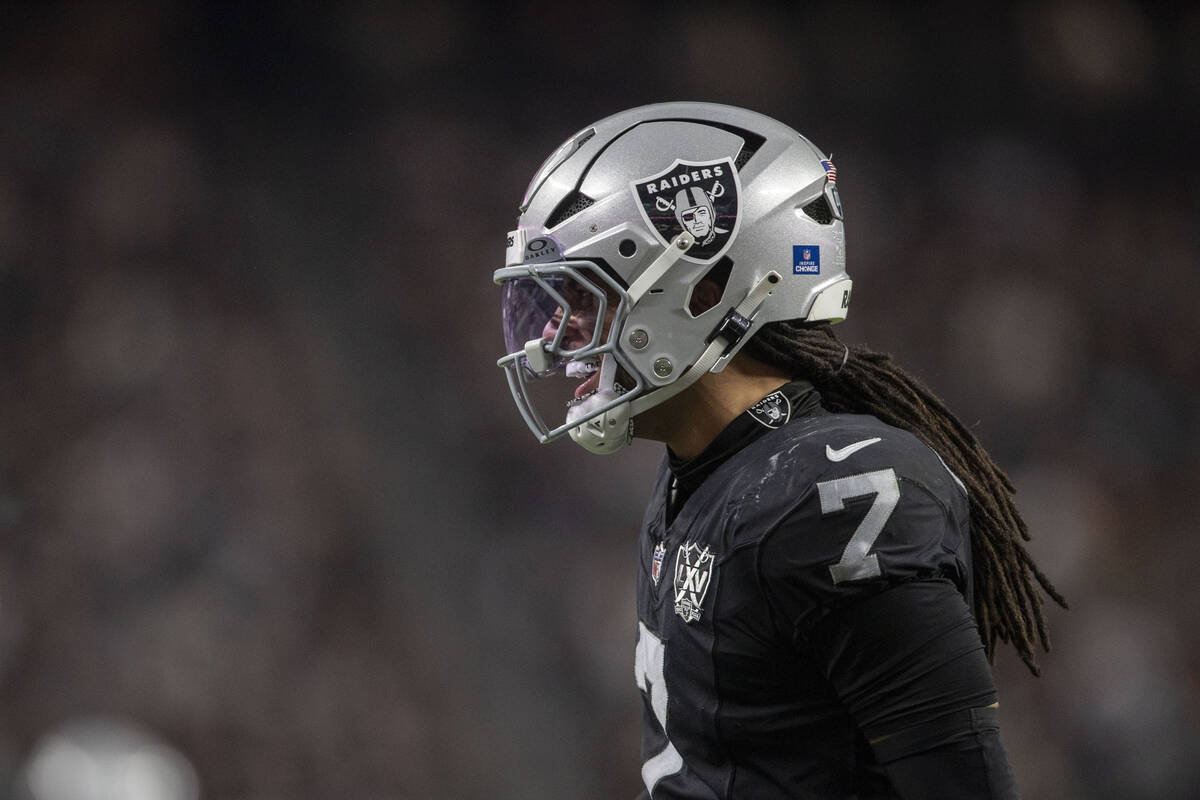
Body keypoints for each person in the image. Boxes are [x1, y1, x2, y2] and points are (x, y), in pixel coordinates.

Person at [493, 102, 1065, 799]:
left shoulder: (837, 489)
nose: (555, 336)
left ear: (703, 289)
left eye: (583, 295)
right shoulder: (702, 476)